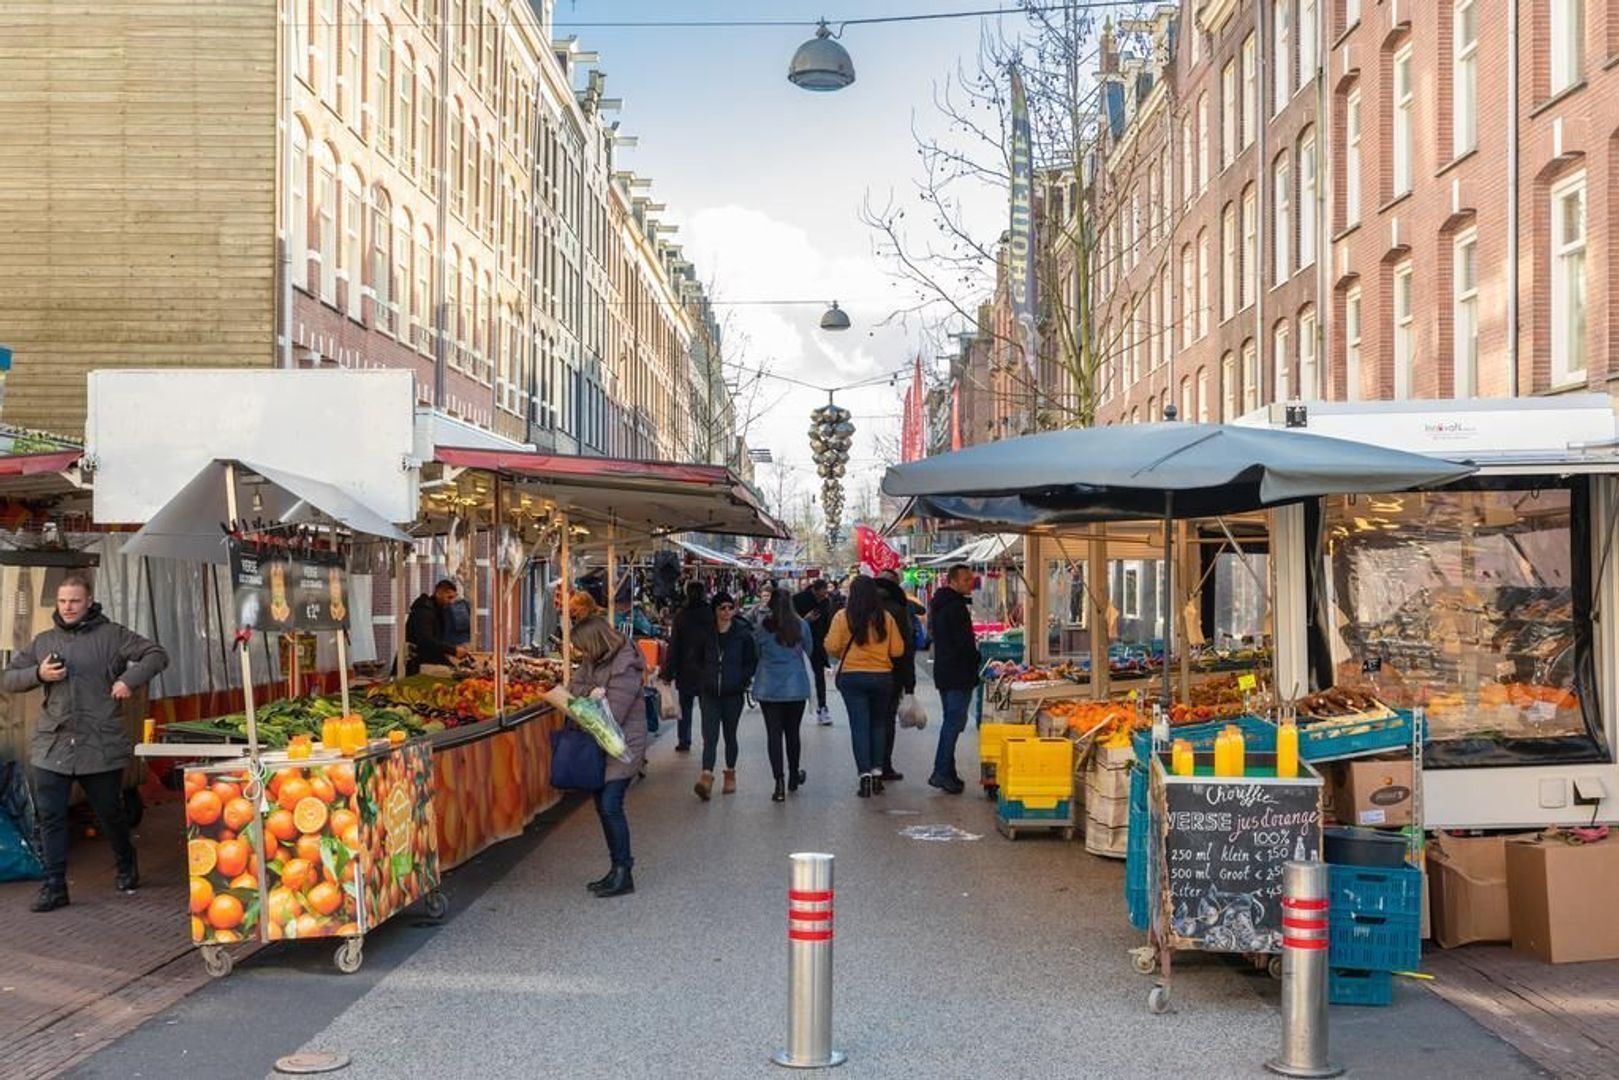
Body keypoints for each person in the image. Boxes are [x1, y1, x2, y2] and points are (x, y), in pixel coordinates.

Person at [3, 574, 169, 912]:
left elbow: (156, 654)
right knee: (50, 817)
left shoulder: (113, 636)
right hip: (54, 745)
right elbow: (8, 678)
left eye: (74, 601)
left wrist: (128, 679)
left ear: (89, 601)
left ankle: (126, 862)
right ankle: (55, 887)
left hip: (99, 744)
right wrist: (38, 675)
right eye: (62, 601)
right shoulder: (43, 641)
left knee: (110, 814)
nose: (67, 607)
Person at [568, 616, 647, 898]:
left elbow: (613, 712)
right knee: (602, 805)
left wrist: (592, 699)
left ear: (594, 643)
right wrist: (591, 692)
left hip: (624, 744)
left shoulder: (625, 664)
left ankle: (624, 872)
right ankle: (616, 869)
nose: (580, 655)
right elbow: (573, 687)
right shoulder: (594, 660)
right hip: (600, 743)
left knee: (611, 804)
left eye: (581, 648)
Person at [824, 576, 904, 798]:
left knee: (859, 726)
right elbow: (898, 650)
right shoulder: (885, 618)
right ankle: (878, 773)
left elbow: (831, 646)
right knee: (878, 725)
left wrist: (845, 654)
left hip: (852, 677)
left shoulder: (842, 617)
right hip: (882, 677)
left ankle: (865, 777)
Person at [752, 584, 813, 802]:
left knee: (774, 735)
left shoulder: (762, 627)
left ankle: (778, 782)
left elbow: (757, 653)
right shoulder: (801, 626)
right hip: (796, 686)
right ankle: (794, 776)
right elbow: (809, 650)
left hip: (769, 687)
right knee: (793, 733)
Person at [694, 591, 757, 800]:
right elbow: (696, 658)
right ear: (715, 610)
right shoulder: (705, 633)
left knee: (730, 735)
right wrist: (702, 678)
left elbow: (751, 660)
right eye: (722, 608)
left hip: (733, 693)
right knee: (709, 736)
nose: (727, 612)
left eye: (730, 607)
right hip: (710, 692)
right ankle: (706, 776)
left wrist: (742, 679)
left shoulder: (743, 634)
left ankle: (730, 773)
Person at [927, 564, 982, 794]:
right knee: (953, 723)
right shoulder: (956, 607)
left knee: (951, 720)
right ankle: (940, 772)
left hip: (945, 671)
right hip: (959, 672)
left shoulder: (939, 604)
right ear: (953, 581)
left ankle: (949, 773)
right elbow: (964, 644)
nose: (971, 583)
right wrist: (977, 656)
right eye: (966, 579)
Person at [660, 582, 716, 753]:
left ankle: (684, 740)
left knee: (685, 708)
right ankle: (709, 740)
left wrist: (668, 672)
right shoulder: (710, 614)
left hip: (686, 668)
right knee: (708, 708)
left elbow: (674, 645)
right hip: (707, 667)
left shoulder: (681, 615)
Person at [873, 570, 917, 783]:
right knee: (885, 721)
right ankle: (883, 766)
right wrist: (909, 684)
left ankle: (866, 769)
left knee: (865, 722)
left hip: (858, 673)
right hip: (890, 673)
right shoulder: (898, 610)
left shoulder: (859, 608)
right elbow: (905, 648)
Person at [792, 579, 834, 725]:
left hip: (817, 644)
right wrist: (806, 620)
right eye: (822, 594)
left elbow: (827, 623)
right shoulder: (798, 599)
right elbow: (791, 622)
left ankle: (822, 707)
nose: (824, 597)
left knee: (819, 676)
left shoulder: (826, 602)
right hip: (798, 643)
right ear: (815, 590)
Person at [406, 579, 467, 674]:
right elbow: (426, 640)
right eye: (449, 597)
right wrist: (452, 650)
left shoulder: (436, 611)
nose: (451, 602)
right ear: (438, 593)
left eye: (453, 598)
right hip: (415, 665)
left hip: (423, 662)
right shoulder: (424, 612)